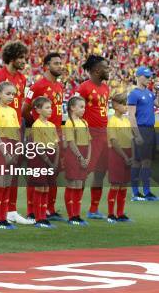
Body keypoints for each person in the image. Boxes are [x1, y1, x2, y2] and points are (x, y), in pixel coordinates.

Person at [0, 42, 31, 226]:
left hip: (15, 130)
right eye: (21, 58)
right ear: (11, 57)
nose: (24, 61)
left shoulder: (22, 78)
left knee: (12, 173)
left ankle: (10, 210)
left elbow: (20, 105)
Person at [22, 53, 64, 222]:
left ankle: (49, 209)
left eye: (61, 63)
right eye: (56, 63)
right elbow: (25, 109)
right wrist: (36, 124)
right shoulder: (38, 86)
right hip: (39, 135)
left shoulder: (59, 86)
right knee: (36, 175)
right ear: (47, 66)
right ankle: (32, 211)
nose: (60, 66)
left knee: (52, 174)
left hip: (55, 135)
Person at [73, 55, 110, 220]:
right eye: (106, 67)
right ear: (97, 70)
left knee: (101, 173)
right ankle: (75, 209)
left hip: (104, 135)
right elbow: (74, 112)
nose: (108, 70)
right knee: (83, 172)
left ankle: (93, 209)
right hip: (90, 136)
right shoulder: (84, 88)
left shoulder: (106, 88)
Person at [127, 66, 159, 201]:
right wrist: (136, 134)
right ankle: (135, 193)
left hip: (150, 129)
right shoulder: (134, 94)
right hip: (140, 128)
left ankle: (147, 192)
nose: (149, 79)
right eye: (147, 77)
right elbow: (131, 116)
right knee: (137, 161)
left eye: (150, 77)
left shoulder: (149, 93)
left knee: (147, 161)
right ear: (139, 76)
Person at [0, 82, 20, 230]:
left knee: (8, 183)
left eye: (13, 94)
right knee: (0, 182)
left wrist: (16, 150)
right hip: (0, 148)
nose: (11, 97)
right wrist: (5, 153)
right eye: (8, 93)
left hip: (12, 147)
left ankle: (4, 217)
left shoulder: (13, 111)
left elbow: (17, 132)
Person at [28, 97, 59, 229]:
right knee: (40, 187)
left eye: (50, 107)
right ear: (38, 110)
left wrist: (55, 161)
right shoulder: (37, 125)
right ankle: (38, 217)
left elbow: (56, 145)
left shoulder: (51, 125)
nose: (50, 110)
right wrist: (48, 161)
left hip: (51, 159)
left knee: (47, 187)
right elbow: (38, 147)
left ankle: (43, 216)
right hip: (40, 159)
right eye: (47, 107)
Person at [63, 96, 91, 226]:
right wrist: (80, 157)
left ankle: (77, 215)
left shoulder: (84, 122)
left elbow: (89, 142)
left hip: (83, 156)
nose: (83, 109)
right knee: (72, 184)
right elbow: (71, 142)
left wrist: (88, 158)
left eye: (84, 107)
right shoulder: (70, 123)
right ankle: (71, 216)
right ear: (72, 108)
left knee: (79, 185)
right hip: (73, 156)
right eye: (81, 107)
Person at [107, 93, 134, 223]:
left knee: (124, 185)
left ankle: (120, 213)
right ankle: (111, 215)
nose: (126, 106)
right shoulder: (112, 121)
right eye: (124, 104)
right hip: (117, 155)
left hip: (127, 154)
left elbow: (131, 139)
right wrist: (124, 156)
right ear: (116, 106)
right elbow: (113, 141)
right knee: (115, 184)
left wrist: (132, 155)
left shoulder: (126, 120)